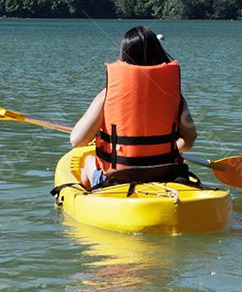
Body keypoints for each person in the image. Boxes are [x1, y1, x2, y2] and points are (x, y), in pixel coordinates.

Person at [70, 26, 197, 190]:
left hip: (118, 178)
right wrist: (172, 148)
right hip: (165, 174)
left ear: (124, 56)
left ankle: (91, 197)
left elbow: (77, 141)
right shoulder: (175, 97)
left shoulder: (108, 95)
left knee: (88, 161)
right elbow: (190, 138)